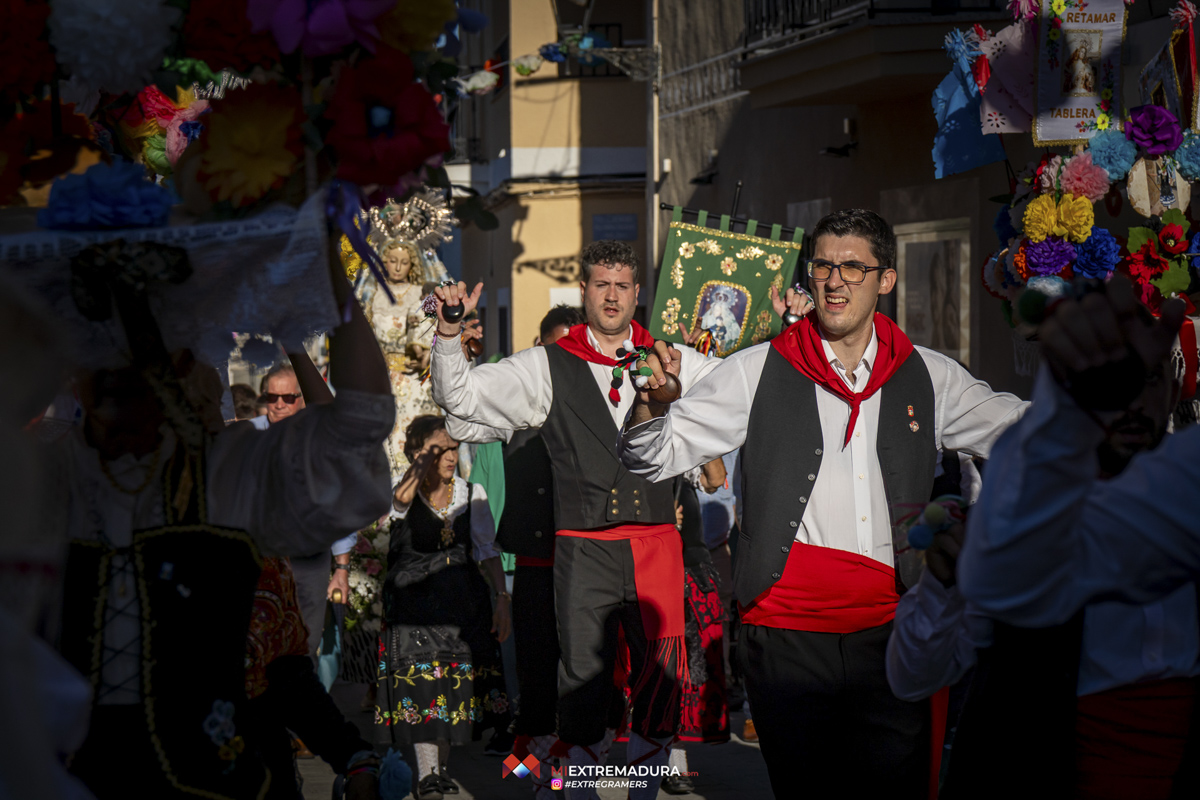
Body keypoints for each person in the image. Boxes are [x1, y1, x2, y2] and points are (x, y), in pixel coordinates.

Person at [619, 209, 1027, 798]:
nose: (834, 281)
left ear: (885, 280)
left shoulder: (929, 375)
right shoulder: (757, 370)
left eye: (853, 268)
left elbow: (1025, 434)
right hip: (784, 636)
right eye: (823, 266)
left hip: (891, 634)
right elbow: (651, 455)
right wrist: (649, 404)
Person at [56, 242, 395, 798]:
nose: (117, 369)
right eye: (97, 351)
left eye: (138, 352)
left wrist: (324, 260)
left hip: (211, 781)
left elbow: (356, 431)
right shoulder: (38, 476)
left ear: (180, 367)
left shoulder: (225, 477)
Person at [430, 240, 721, 800]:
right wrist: (447, 334)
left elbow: (744, 398)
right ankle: (563, 786)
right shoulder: (545, 364)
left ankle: (639, 791)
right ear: (584, 290)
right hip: (580, 549)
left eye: (622, 286)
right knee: (578, 687)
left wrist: (794, 330)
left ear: (637, 293)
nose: (612, 296)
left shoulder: (674, 358)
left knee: (660, 685)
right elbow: (460, 401)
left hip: (658, 546)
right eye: (601, 285)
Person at [954, 276, 1200, 798]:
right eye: (1112, 382)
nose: (1131, 400)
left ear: (1172, 387)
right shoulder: (1032, 499)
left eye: (1148, 378)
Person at [377, 415, 511, 800]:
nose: (452, 456)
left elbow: (487, 551)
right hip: (413, 604)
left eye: (455, 448)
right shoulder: (401, 489)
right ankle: (427, 775)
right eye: (442, 450)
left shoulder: (472, 493)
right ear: (419, 453)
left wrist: (502, 598)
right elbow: (399, 504)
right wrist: (424, 458)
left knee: (454, 693)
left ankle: (440, 770)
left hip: (463, 603)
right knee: (422, 687)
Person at [494, 304, 585, 800]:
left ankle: (570, 776)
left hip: (587, 562)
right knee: (535, 676)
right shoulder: (517, 399)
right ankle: (533, 777)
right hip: (534, 562)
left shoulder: (603, 401)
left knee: (583, 680)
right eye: (556, 349)